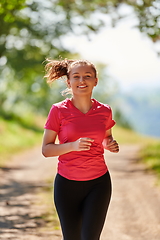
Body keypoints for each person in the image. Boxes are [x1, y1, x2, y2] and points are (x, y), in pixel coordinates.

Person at [42, 58, 119, 240]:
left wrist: (110, 144)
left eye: (87, 76)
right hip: (67, 185)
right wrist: (72, 146)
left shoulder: (105, 110)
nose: (82, 81)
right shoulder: (58, 111)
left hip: (98, 183)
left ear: (95, 81)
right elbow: (46, 149)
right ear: (69, 82)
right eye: (76, 77)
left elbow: (106, 136)